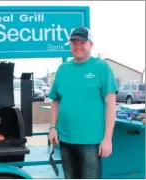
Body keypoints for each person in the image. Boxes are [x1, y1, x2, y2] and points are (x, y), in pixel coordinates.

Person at [48, 27, 118, 179]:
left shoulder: (102, 67)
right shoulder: (63, 69)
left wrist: (107, 139)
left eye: (82, 42)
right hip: (65, 140)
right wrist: (53, 127)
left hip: (91, 142)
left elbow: (111, 105)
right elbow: (55, 101)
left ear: (91, 44)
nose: (78, 46)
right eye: (74, 42)